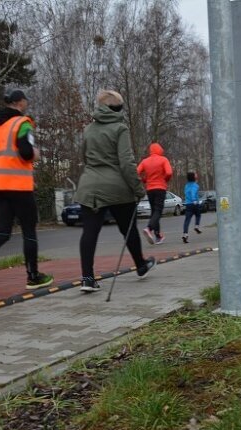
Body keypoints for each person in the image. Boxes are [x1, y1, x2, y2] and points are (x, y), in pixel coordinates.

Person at [0, 89, 53, 297]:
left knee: (1, 232)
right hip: (19, 186)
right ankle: (33, 276)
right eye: (26, 101)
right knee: (29, 231)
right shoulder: (22, 124)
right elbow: (25, 152)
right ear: (20, 103)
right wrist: (36, 155)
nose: (27, 105)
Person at [75, 89, 155, 292]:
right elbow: (127, 163)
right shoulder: (120, 129)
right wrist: (138, 189)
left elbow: (84, 156)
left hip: (90, 187)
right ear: (117, 109)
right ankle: (141, 265)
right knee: (128, 228)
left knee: (89, 232)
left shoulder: (88, 129)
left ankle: (87, 278)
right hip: (117, 188)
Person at [137, 142, 172, 245]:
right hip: (160, 188)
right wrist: (165, 179)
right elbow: (169, 172)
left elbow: (136, 172)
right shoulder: (163, 160)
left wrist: (144, 180)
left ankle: (158, 236)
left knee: (154, 212)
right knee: (158, 211)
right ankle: (149, 228)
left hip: (150, 189)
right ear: (159, 150)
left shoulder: (145, 161)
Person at [182, 171, 202, 243]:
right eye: (195, 174)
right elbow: (193, 192)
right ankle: (196, 226)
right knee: (198, 215)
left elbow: (186, 193)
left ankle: (185, 234)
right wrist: (194, 200)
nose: (196, 175)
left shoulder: (186, 185)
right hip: (194, 203)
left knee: (187, 220)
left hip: (188, 204)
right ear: (194, 177)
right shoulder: (195, 185)